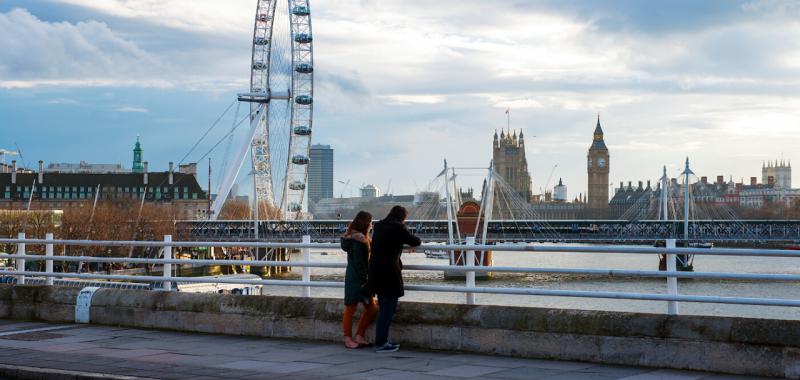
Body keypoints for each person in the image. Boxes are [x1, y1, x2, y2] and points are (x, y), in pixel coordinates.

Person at [368, 205, 421, 353]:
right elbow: (415, 241)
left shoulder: (379, 226)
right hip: (389, 272)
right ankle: (380, 343)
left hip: (375, 270)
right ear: (402, 218)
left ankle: (382, 340)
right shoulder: (398, 228)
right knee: (388, 309)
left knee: (384, 305)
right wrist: (404, 230)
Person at [340, 211, 379, 349]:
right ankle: (348, 338)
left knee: (372, 307)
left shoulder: (359, 238)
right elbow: (359, 262)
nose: (371, 225)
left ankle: (359, 336)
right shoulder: (358, 240)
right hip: (357, 277)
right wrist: (364, 280)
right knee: (351, 307)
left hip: (355, 276)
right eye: (371, 222)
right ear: (365, 223)